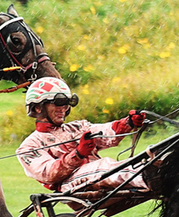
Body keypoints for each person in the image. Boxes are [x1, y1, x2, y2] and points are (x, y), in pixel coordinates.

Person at [17, 77, 151, 193]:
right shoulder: (28, 147)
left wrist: (128, 123)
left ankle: (157, 170)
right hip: (70, 185)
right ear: (38, 107)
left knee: (148, 155)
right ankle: (148, 177)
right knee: (103, 166)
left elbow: (105, 132)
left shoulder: (78, 127)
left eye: (67, 103)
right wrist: (78, 154)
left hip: (99, 177)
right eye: (58, 103)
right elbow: (48, 174)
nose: (64, 108)